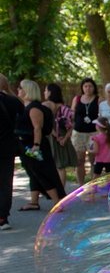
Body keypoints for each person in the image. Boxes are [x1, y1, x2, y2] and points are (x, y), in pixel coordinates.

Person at [17, 79, 66, 210]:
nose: (18, 90)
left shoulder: (34, 108)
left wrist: (36, 146)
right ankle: (34, 202)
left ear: (28, 90)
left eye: (21, 88)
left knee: (42, 172)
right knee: (33, 172)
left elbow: (37, 128)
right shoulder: (28, 106)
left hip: (34, 145)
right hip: (27, 145)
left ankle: (57, 203)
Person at [0, 75, 23, 229]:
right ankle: (3, 217)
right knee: (5, 182)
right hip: (7, 147)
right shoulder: (13, 101)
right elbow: (23, 120)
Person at [44, 83, 77, 189]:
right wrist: (65, 138)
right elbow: (72, 124)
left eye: (45, 90)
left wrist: (56, 136)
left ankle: (59, 191)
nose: (44, 93)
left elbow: (46, 124)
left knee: (58, 166)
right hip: (62, 137)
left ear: (50, 92)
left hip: (53, 137)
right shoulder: (64, 108)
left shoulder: (47, 105)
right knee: (60, 166)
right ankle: (60, 189)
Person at [71, 77, 99, 186]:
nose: (88, 88)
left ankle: (93, 184)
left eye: (90, 86)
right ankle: (81, 185)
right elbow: (72, 114)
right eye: (85, 86)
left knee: (93, 159)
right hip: (78, 133)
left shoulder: (98, 99)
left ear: (94, 87)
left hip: (93, 133)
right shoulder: (77, 99)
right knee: (79, 160)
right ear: (82, 88)